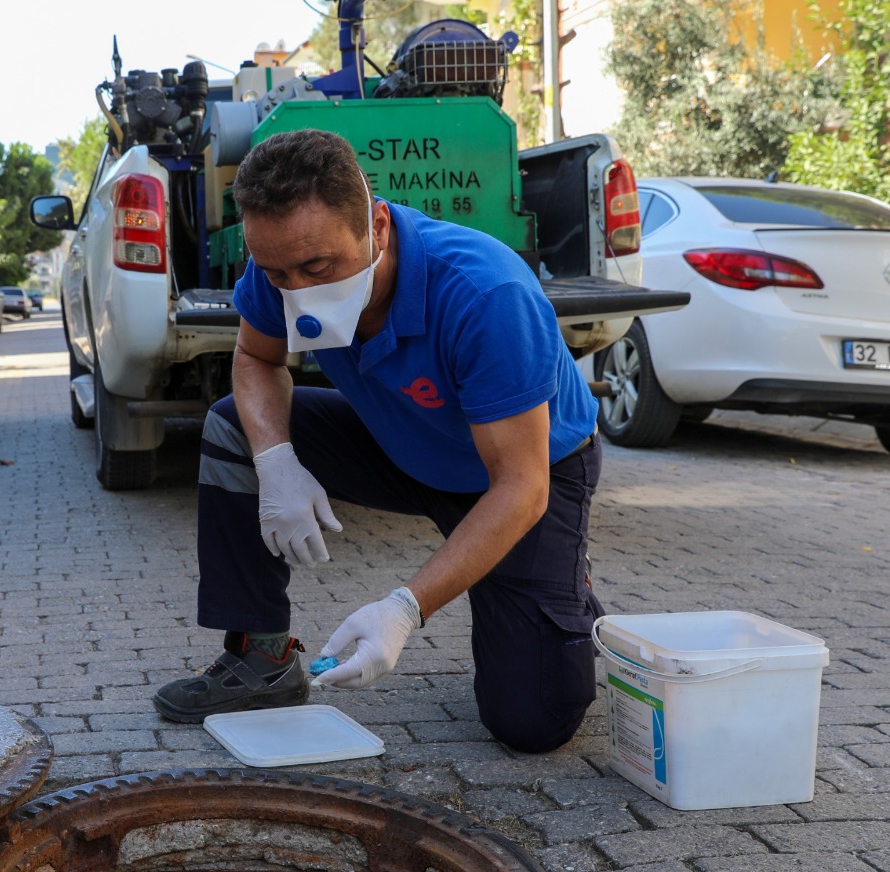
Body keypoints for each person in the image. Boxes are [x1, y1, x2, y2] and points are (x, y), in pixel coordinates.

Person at [152, 128, 603, 754]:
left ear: (379, 227)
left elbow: (522, 488)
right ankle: (262, 659)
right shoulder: (279, 264)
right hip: (402, 439)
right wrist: (277, 463)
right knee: (232, 427)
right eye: (278, 273)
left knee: (533, 721)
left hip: (520, 475)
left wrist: (404, 608)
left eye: (319, 268)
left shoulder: (486, 295)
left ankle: (564, 592)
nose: (297, 290)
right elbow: (256, 359)